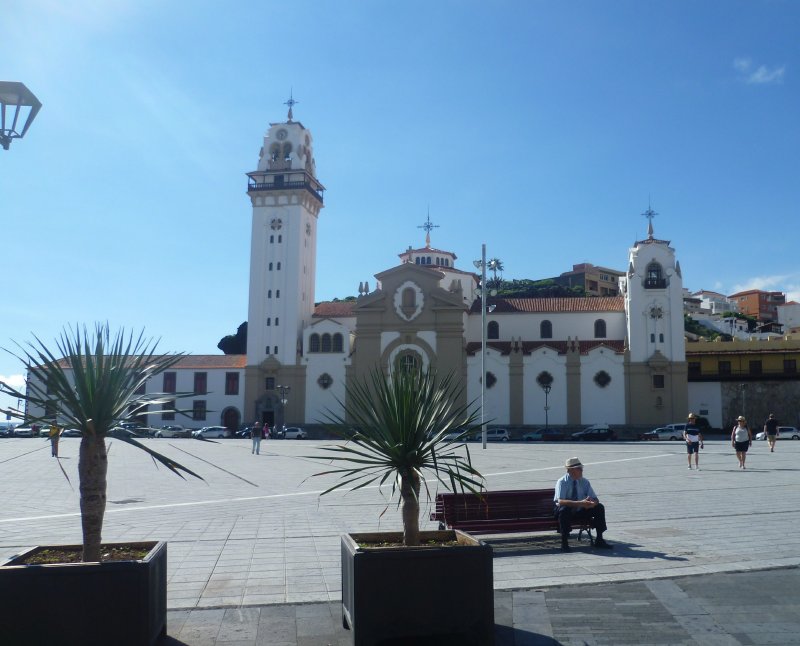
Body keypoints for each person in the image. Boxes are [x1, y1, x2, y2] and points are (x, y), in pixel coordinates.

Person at [554, 457, 612, 552]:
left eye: (581, 468)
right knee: (564, 510)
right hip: (566, 511)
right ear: (571, 470)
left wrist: (592, 504)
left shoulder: (584, 481)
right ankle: (564, 543)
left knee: (599, 507)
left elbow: (595, 498)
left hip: (580, 509)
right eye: (579, 468)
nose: (582, 470)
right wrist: (581, 503)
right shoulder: (562, 482)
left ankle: (599, 539)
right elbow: (560, 501)